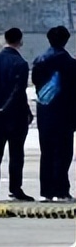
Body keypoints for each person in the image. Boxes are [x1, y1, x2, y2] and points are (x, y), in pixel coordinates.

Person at [0, 27, 33, 201]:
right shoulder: (20, 64)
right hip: (15, 116)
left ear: (5, 39)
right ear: (20, 41)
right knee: (16, 153)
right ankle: (15, 189)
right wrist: (7, 108)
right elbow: (18, 91)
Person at [33, 25, 76, 202]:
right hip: (65, 114)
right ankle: (61, 189)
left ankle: (47, 191)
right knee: (63, 153)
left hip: (45, 112)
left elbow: (36, 84)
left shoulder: (39, 61)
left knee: (47, 152)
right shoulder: (70, 63)